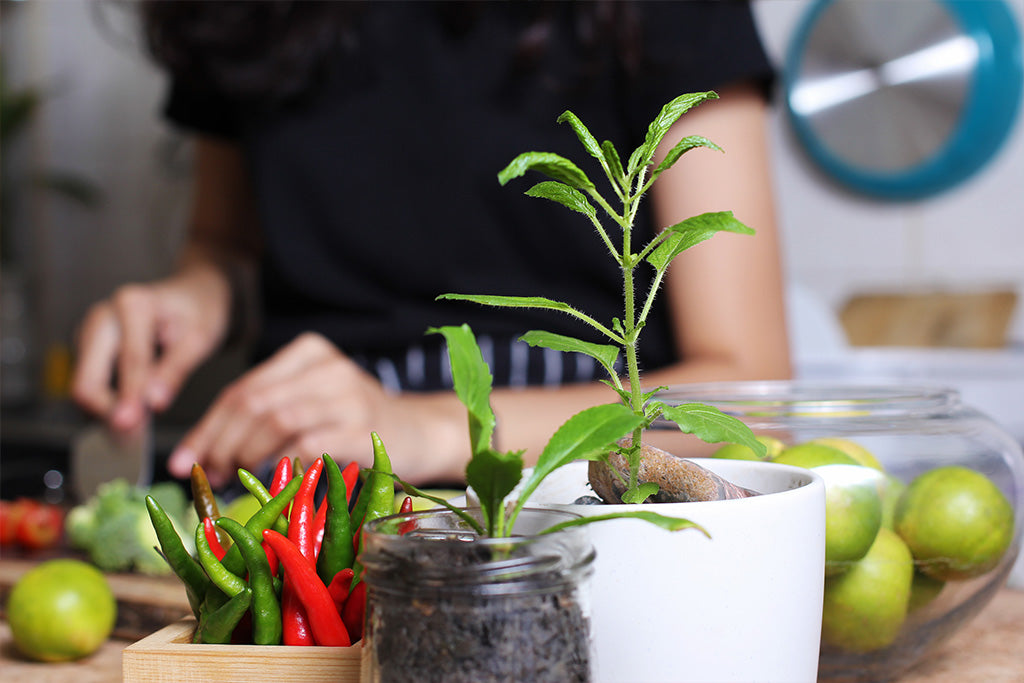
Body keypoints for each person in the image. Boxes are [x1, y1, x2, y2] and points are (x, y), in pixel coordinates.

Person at [71, 1, 790, 489]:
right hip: (309, 488)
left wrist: (434, 426)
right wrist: (198, 290)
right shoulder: (240, 11)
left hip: (578, 493)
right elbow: (222, 237)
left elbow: (747, 392)